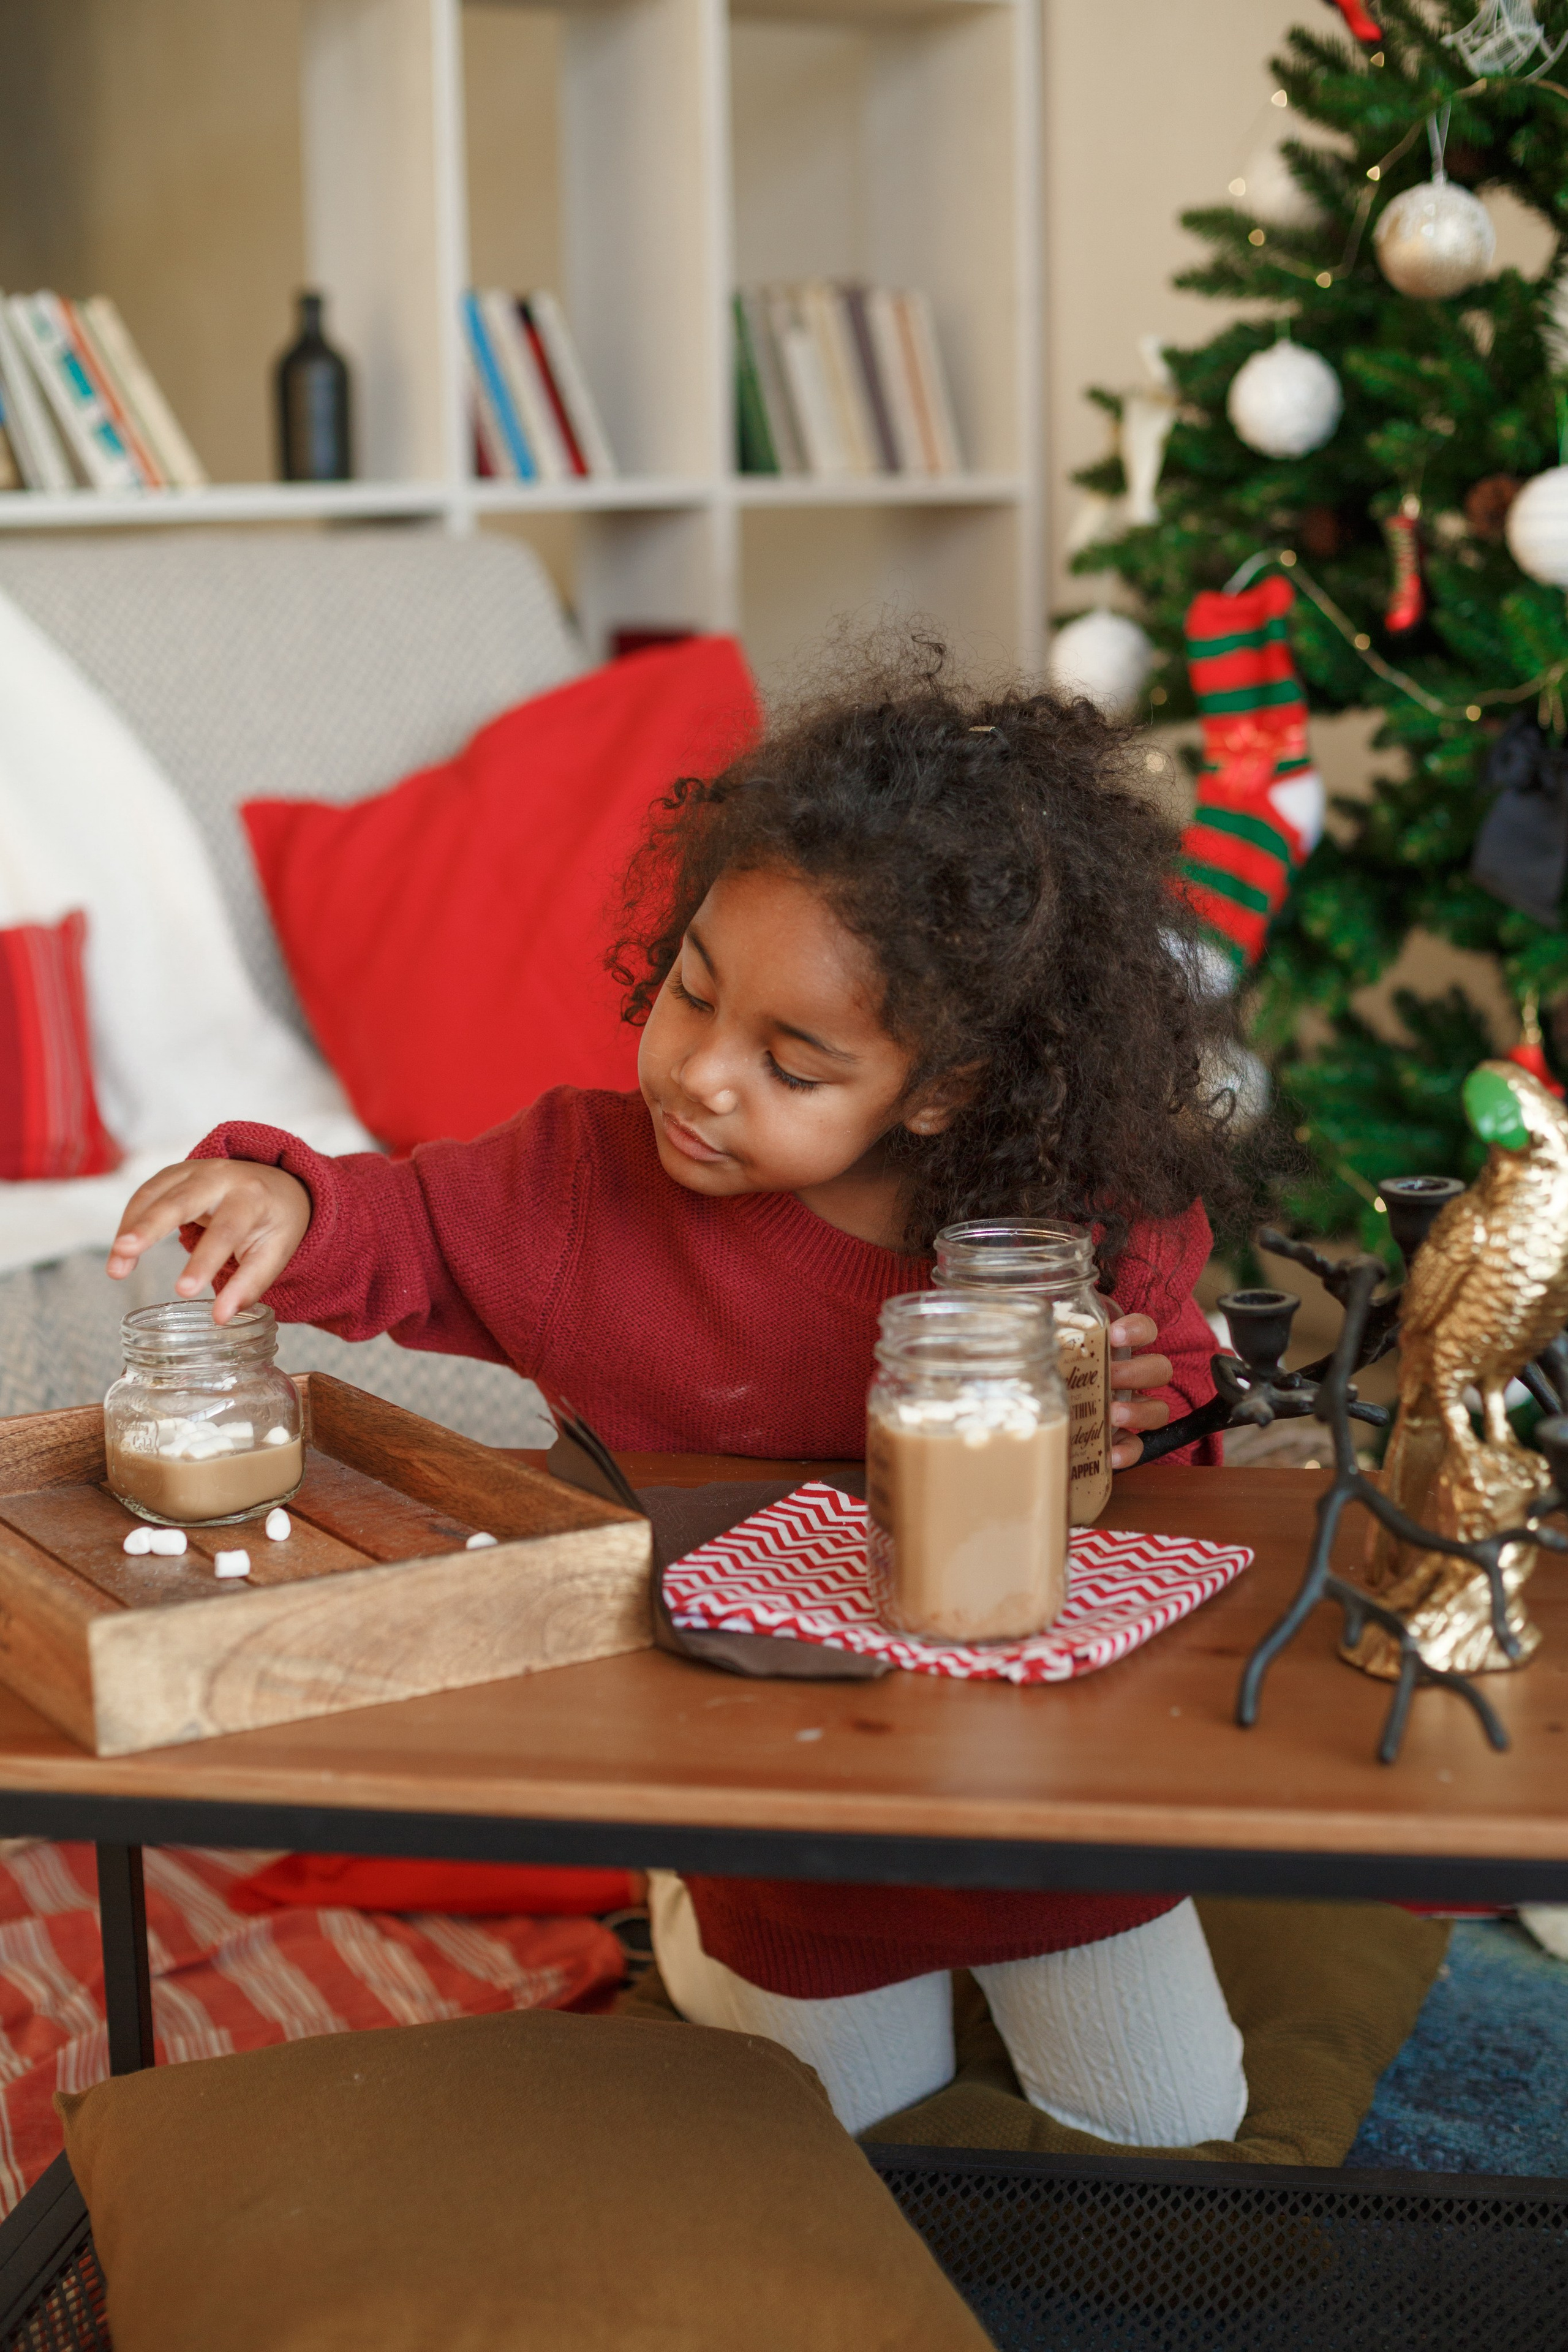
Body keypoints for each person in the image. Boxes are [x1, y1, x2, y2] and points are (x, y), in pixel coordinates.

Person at [107, 648, 1250, 2148]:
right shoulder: (584, 1191)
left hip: (1055, 1810)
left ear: (941, 1090)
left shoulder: (1073, 1238)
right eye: (690, 994)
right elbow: (400, 1229)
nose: (700, 1076)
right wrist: (286, 1201)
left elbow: (1186, 1474)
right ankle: (682, 1912)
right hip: (774, 1826)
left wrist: (1156, 1418)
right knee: (843, 2152)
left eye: (791, 1063)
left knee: (1177, 2126)